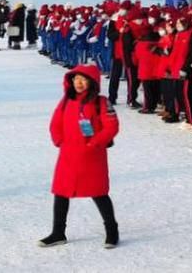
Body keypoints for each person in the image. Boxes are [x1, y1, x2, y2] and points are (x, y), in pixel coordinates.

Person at [41, 65, 120, 249]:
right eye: (76, 79)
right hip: (68, 153)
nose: (79, 83)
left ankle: (112, 230)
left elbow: (111, 126)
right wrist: (58, 139)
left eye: (83, 79)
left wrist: (95, 143)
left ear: (92, 82)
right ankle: (58, 232)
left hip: (92, 155)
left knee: (99, 193)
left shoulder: (101, 102)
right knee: (61, 192)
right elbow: (55, 122)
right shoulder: (66, 100)